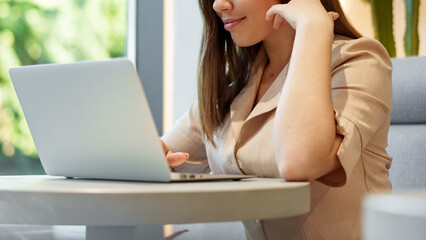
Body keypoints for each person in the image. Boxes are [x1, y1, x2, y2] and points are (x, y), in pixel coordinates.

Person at [161, 0, 392, 239]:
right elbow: (158, 158)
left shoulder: (359, 60)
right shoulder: (236, 85)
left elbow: (298, 162)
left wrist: (312, 27)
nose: (219, 5)